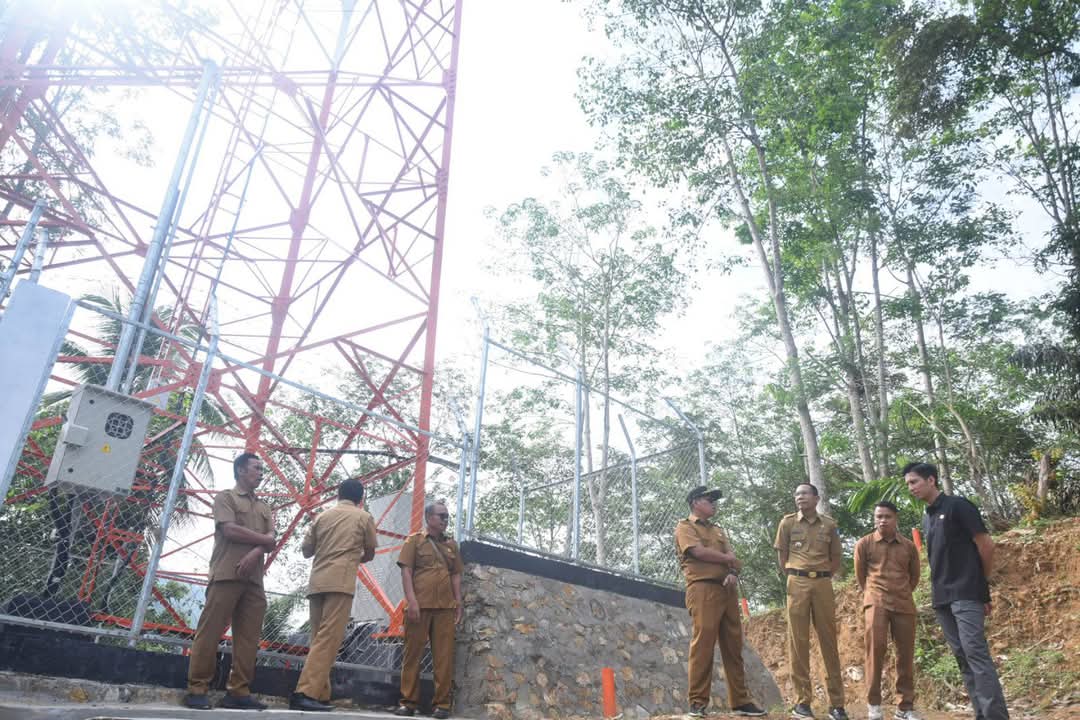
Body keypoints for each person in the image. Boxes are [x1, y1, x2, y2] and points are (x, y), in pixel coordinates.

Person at [903, 462, 1009, 720]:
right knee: (962, 658)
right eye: (908, 484)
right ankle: (981, 714)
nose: (911, 488)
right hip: (942, 598)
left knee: (975, 653)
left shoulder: (958, 506)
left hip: (966, 593)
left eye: (914, 482)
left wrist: (980, 586)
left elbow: (986, 545)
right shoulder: (927, 517)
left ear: (931, 480)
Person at [184, 453, 276, 710]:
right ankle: (197, 688)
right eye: (256, 468)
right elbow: (229, 529)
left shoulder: (264, 507)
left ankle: (238, 692)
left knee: (248, 637)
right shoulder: (226, 498)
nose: (261, 472)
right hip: (226, 573)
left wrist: (256, 551)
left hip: (255, 580)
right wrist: (262, 541)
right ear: (240, 470)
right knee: (210, 631)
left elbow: (272, 541)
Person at [674, 486, 768, 718]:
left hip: (727, 590)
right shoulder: (685, 526)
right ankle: (697, 702)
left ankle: (740, 701)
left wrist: (733, 573)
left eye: (715, 501)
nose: (714, 504)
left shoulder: (718, 530)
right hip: (702, 588)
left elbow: (736, 561)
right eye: (709, 500)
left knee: (733, 646)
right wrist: (728, 559)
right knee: (703, 645)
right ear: (696, 502)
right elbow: (697, 552)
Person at [290, 478, 378, 712]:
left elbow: (306, 550)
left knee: (318, 639)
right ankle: (305, 693)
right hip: (340, 582)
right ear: (361, 499)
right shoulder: (363, 517)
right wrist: (353, 558)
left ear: (338, 494)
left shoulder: (322, 517)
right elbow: (370, 552)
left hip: (317, 582)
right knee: (329, 640)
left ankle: (320, 693)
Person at [774, 483, 848, 720]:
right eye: (796, 494)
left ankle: (836, 704)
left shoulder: (829, 524)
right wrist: (796, 574)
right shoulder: (787, 523)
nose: (799, 497)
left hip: (823, 584)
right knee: (798, 642)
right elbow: (782, 556)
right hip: (797, 583)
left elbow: (836, 557)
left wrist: (822, 574)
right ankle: (802, 703)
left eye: (804, 493)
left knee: (828, 641)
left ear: (816, 498)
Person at [394, 501, 464, 719]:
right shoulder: (414, 542)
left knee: (443, 657)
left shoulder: (452, 546)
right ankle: (408, 702)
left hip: (445, 608)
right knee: (412, 654)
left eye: (447, 517)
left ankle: (442, 705)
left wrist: (458, 601)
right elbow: (407, 572)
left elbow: (455, 574)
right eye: (441, 516)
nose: (445, 520)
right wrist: (411, 601)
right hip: (419, 607)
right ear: (429, 518)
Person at [853, 501, 921, 720]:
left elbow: (914, 576)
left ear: (896, 518)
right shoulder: (864, 544)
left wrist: (901, 592)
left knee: (905, 655)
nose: (882, 520)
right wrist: (874, 594)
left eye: (887, 516)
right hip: (876, 602)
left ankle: (905, 708)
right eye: (878, 516)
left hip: (903, 603)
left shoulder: (908, 546)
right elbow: (861, 576)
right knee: (875, 652)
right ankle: (874, 705)